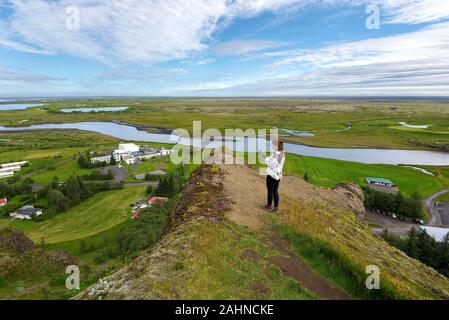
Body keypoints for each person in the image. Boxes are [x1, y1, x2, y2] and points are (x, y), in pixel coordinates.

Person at [262, 140, 285, 212]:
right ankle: (276, 207)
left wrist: (264, 159)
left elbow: (271, 164)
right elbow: (272, 159)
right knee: (275, 191)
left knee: (270, 191)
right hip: (278, 175)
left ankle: (268, 206)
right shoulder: (282, 153)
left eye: (273, 145)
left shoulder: (276, 154)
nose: (272, 146)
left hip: (272, 174)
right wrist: (266, 157)